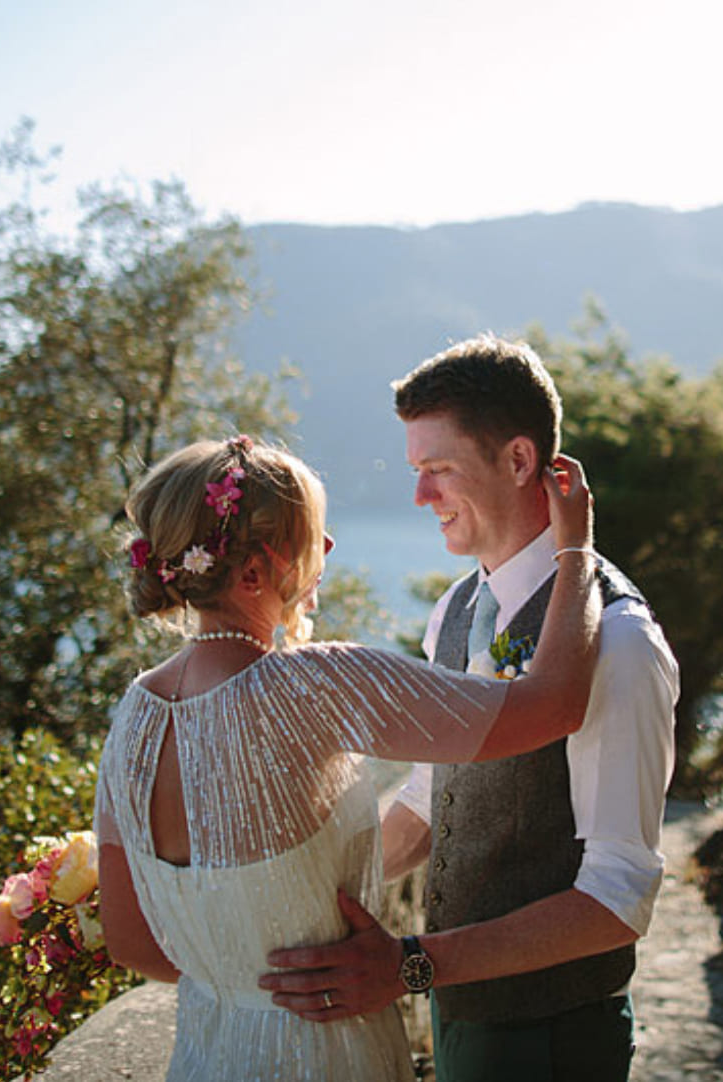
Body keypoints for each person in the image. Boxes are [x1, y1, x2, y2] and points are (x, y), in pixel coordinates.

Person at [93, 434, 604, 1081]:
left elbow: (131, 942)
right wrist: (576, 547)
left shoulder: (134, 714)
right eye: (312, 534)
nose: (329, 549)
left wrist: (244, 987)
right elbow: (555, 706)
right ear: (253, 572)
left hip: (208, 1054)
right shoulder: (313, 684)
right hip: (326, 1052)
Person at [260, 335, 680, 1081]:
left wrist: (409, 967)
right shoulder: (456, 609)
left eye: (438, 471)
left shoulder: (618, 640)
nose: (420, 497)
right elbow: (434, 796)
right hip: (461, 1018)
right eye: (417, 471)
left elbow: (617, 897)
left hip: (554, 1037)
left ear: (519, 462)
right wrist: (293, 894)